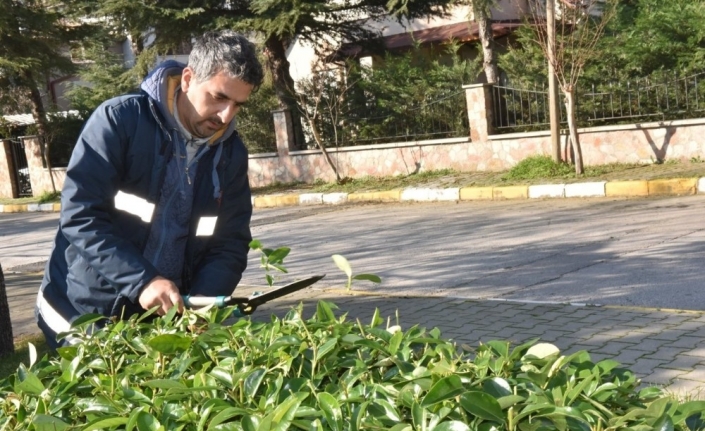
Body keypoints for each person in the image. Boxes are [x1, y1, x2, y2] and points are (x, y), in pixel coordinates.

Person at [36, 30, 264, 349]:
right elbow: (81, 217)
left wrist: (201, 305)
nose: (226, 115)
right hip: (81, 311)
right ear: (187, 79)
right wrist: (142, 281)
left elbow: (229, 241)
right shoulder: (119, 121)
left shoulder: (230, 153)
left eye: (238, 104)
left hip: (162, 318)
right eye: (219, 97)